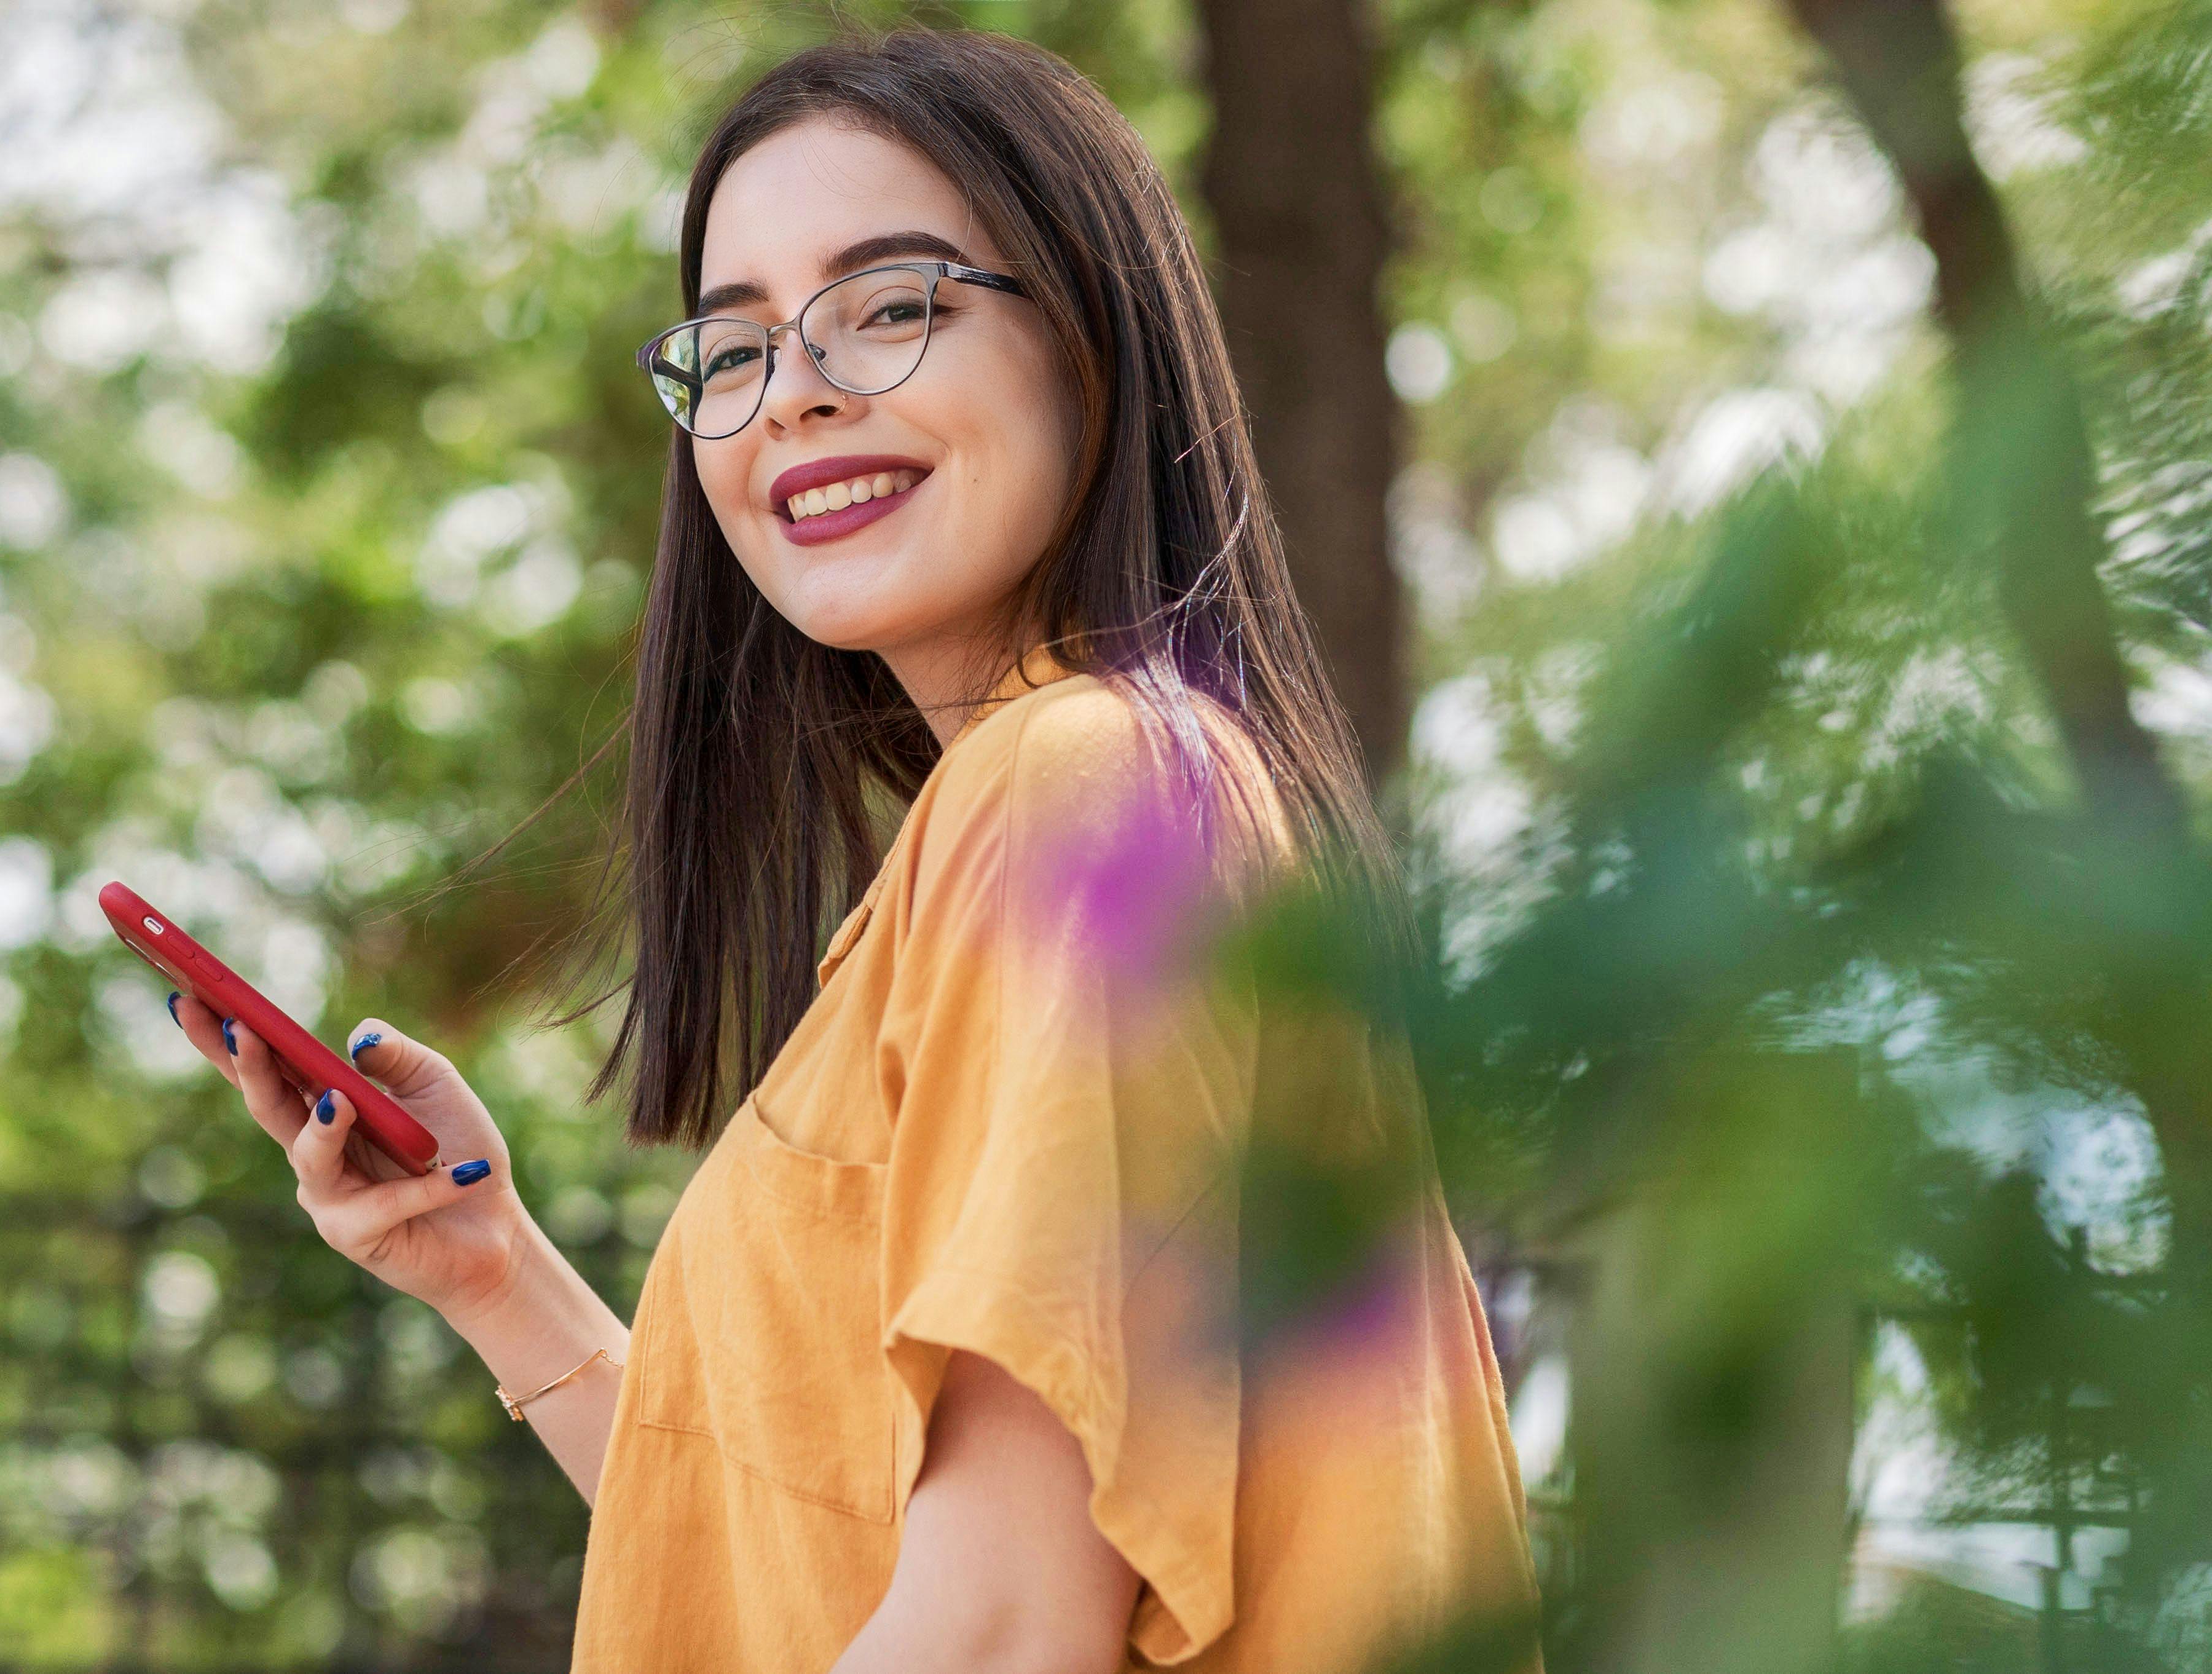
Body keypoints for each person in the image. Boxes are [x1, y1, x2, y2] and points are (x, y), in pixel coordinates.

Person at [171, 24, 1541, 1673]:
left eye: (892, 304)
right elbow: (825, 1558)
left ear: (1095, 342)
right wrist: (493, 1274)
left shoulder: (1083, 793)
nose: (799, 391)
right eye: (731, 349)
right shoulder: (1075, 812)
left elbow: (1002, 1627)